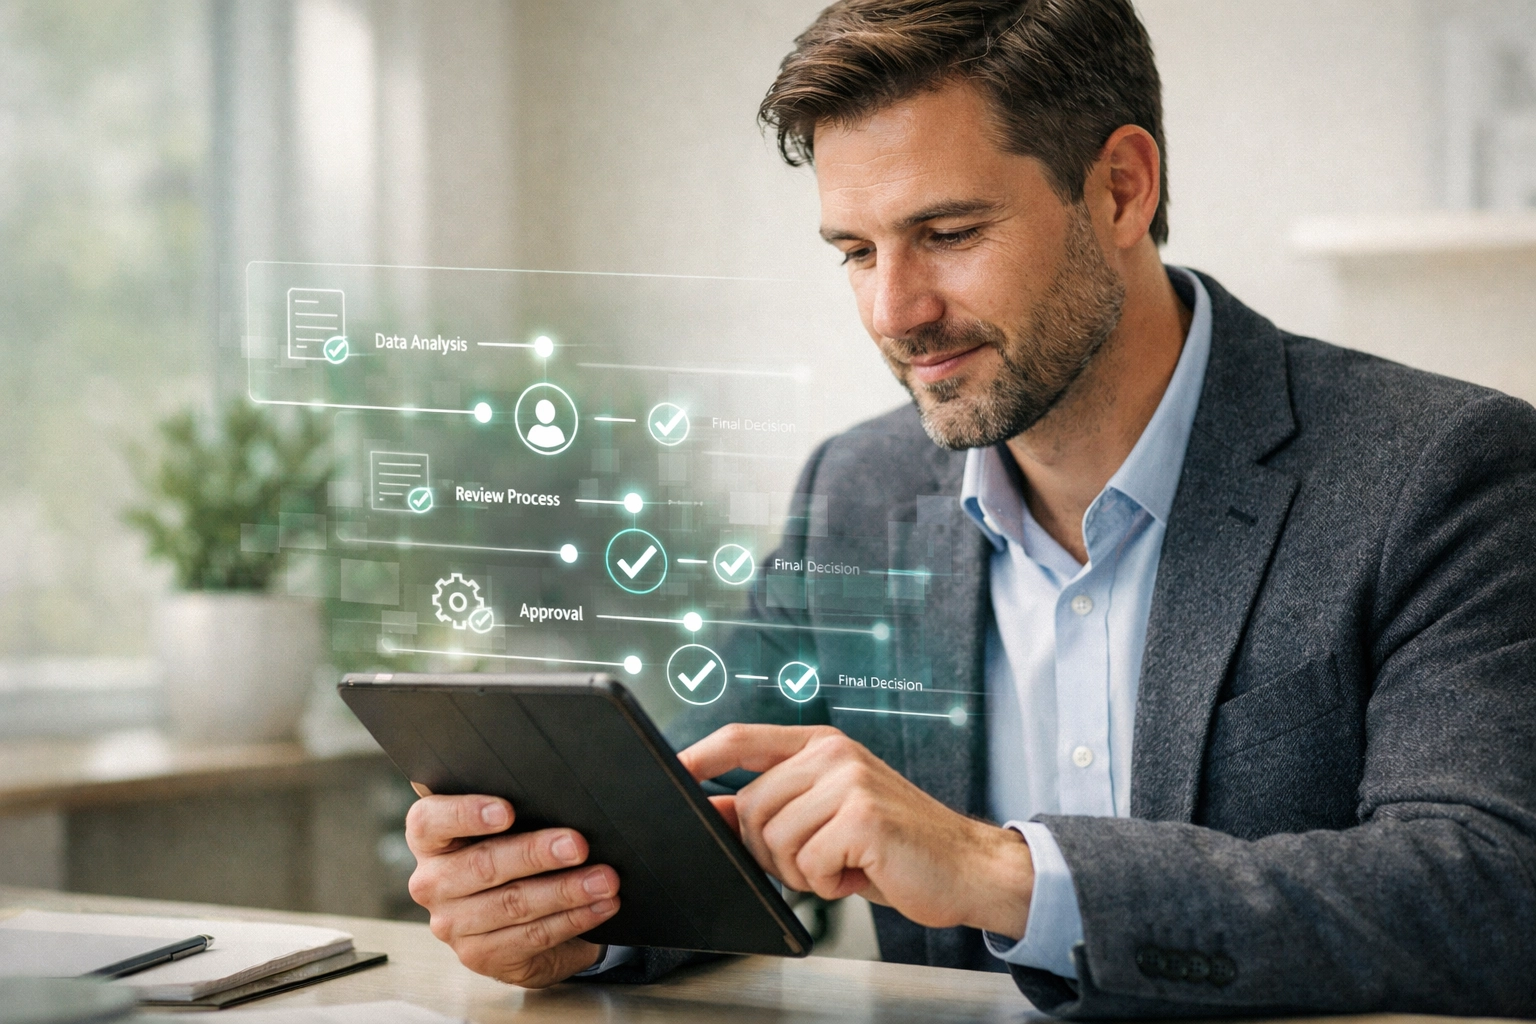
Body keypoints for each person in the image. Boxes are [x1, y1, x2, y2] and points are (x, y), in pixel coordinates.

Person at [402, 0, 1536, 1016]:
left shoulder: (1440, 470)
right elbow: (707, 842)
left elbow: (1491, 888)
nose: (895, 310)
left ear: (1121, 189)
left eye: (948, 234)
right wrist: (562, 905)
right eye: (855, 250)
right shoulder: (856, 492)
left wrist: (1006, 874)